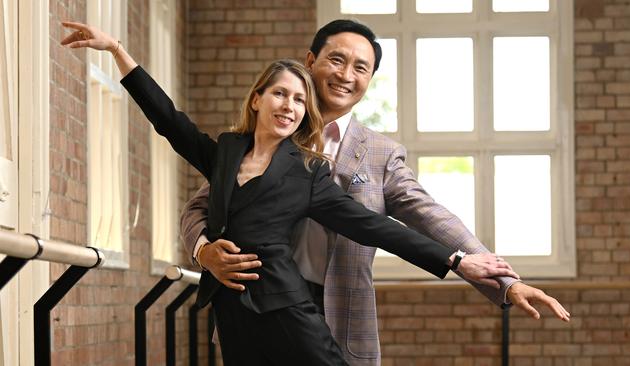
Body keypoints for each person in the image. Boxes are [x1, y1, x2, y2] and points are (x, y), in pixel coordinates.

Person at [60, 21, 524, 365]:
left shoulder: (309, 172)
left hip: (290, 306)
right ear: (257, 98)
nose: (290, 105)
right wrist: (118, 51)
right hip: (233, 306)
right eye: (281, 94)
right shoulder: (226, 152)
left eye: (299, 100)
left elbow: (377, 226)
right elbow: (170, 123)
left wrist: (460, 261)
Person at [180, 19, 571, 365]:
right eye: (336, 60)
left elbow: (430, 217)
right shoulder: (264, 134)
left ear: (369, 80)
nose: (346, 74)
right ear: (311, 60)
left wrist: (503, 279)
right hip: (253, 310)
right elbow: (199, 210)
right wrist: (203, 251)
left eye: (361, 67)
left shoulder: (380, 154)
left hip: (339, 317)